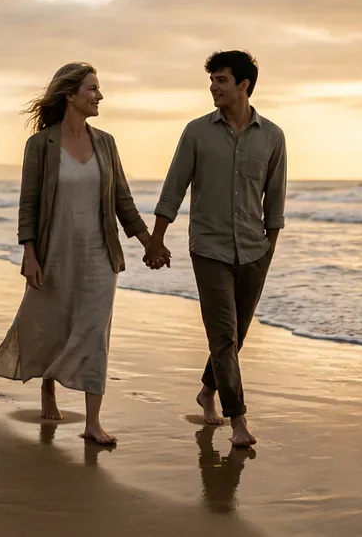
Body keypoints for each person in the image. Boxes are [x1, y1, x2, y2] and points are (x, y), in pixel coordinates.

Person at [0, 62, 169, 445]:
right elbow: (29, 204)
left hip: (100, 256)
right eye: (92, 89)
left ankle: (92, 422)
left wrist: (149, 242)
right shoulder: (40, 145)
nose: (99, 96)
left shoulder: (105, 142)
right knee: (54, 323)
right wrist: (30, 253)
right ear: (70, 95)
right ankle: (48, 385)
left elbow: (123, 200)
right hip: (55, 252)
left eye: (99, 89)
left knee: (93, 333)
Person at [145, 50, 287, 447]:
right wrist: (157, 238)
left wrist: (268, 251)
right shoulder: (196, 132)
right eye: (212, 81)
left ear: (243, 85)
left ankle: (207, 390)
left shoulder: (273, 136)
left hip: (255, 251)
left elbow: (274, 202)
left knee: (236, 335)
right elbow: (174, 187)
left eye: (221, 80)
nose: (213, 87)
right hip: (208, 249)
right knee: (223, 335)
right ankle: (238, 418)